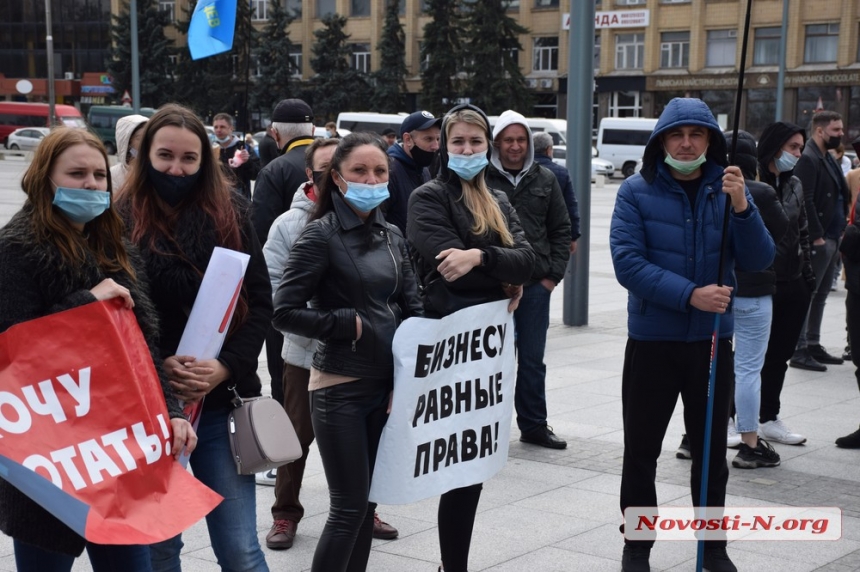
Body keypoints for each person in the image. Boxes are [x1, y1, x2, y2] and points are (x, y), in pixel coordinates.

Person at [0, 127, 197, 571]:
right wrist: (86, 304)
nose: (91, 184)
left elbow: (143, 347)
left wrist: (173, 411)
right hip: (51, 453)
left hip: (117, 452)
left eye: (97, 175)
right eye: (76, 174)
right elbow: (11, 352)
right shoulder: (16, 249)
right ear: (43, 179)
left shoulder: (115, 245)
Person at [610, 97, 774, 572]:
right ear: (661, 141)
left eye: (697, 134)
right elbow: (628, 264)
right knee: (641, 449)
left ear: (710, 142)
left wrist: (742, 206)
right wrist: (690, 295)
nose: (686, 143)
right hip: (652, 341)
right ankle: (637, 545)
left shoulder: (726, 189)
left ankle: (714, 545)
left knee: (709, 452)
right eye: (676, 134)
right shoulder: (635, 191)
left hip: (709, 344)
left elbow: (760, 258)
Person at [115, 103, 272, 572]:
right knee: (159, 548)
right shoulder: (116, 219)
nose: (176, 169)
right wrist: (159, 366)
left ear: (206, 161)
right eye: (165, 156)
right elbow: (112, 317)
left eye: (189, 159)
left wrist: (225, 366)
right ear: (144, 157)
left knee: (241, 548)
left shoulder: (233, 215)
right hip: (147, 408)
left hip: (218, 401)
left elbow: (260, 303)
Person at [272, 132, 423, 572]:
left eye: (379, 171)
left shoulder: (393, 234)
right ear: (336, 178)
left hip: (386, 387)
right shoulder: (319, 235)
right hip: (340, 386)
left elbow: (411, 308)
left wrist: (406, 379)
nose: (371, 179)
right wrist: (338, 323)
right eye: (359, 170)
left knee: (366, 503)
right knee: (347, 508)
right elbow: (284, 312)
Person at [407, 104, 535, 572]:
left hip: (489, 348)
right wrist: (497, 269)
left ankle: (452, 565)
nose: (466, 150)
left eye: (475, 142)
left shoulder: (498, 199)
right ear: (444, 144)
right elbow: (447, 269)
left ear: (488, 147)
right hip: (446, 346)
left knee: (471, 465)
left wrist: (480, 258)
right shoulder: (427, 196)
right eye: (458, 142)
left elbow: (529, 260)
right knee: (450, 461)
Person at [485, 110, 571, 450]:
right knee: (490, 362)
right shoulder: (483, 178)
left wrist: (552, 277)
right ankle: (486, 428)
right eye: (508, 140)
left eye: (521, 139)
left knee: (532, 360)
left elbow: (561, 229)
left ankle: (534, 425)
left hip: (536, 286)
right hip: (491, 288)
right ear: (497, 143)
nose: (515, 146)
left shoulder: (546, 179)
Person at [251, 98, 316, 485]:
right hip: (339, 300)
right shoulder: (340, 159)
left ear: (275, 134)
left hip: (288, 295)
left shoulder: (275, 169)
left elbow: (258, 235)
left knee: (284, 377)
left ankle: (283, 465)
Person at [747, 122, 816, 451]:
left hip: (793, 281)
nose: (798, 154)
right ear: (775, 147)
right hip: (762, 281)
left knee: (780, 355)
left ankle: (769, 417)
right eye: (793, 147)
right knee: (752, 356)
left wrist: (808, 274)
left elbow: (801, 228)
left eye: (801, 148)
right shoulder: (753, 181)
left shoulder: (796, 184)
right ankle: (737, 418)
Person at [723, 130, 790, 468]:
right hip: (754, 293)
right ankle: (750, 442)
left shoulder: (709, 189)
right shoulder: (762, 191)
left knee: (712, 366)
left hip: (719, 292)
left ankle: (695, 437)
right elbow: (781, 232)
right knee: (748, 368)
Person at [789, 110, 850, 371]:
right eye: (836, 130)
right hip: (819, 240)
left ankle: (812, 343)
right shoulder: (809, 158)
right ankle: (799, 348)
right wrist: (815, 237)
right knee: (809, 295)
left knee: (822, 294)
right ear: (820, 131)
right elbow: (806, 199)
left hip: (833, 236)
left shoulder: (828, 157)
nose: (841, 134)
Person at [384, 110, 441, 233]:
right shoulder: (389, 171)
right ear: (408, 139)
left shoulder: (423, 169)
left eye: (437, 139)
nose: (435, 146)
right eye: (429, 139)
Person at [532, 131, 581, 253]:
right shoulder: (561, 173)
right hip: (554, 234)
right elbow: (571, 206)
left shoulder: (524, 169)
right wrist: (573, 236)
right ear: (548, 150)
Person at [213, 112, 260, 200]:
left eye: (222, 127)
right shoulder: (211, 149)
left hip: (239, 199)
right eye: (216, 127)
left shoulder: (243, 147)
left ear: (231, 128)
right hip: (216, 198)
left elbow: (256, 174)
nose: (218, 130)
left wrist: (247, 162)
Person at [110, 114, 148, 192]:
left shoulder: (157, 170)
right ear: (128, 142)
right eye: (139, 138)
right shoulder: (113, 174)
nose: (145, 142)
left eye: (148, 137)